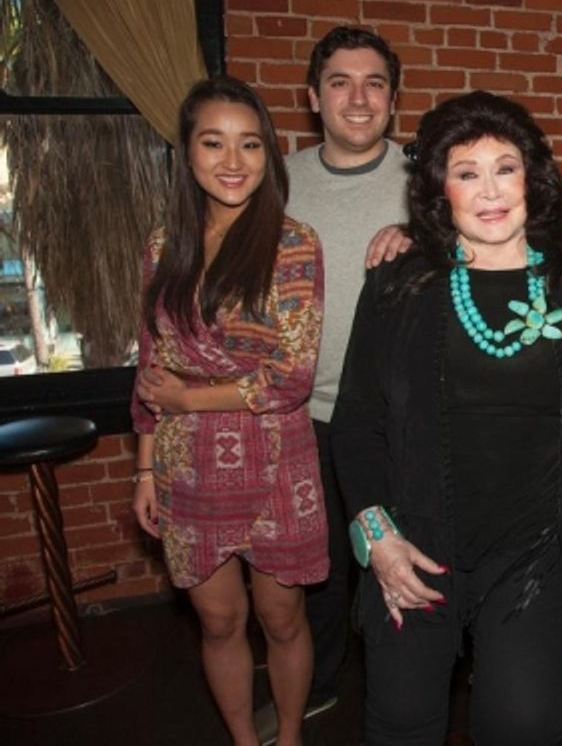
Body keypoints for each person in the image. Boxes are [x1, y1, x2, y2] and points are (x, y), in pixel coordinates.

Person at [331, 90, 562, 745]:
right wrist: (377, 538)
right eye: (467, 173)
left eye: (506, 167)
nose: (490, 189)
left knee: (527, 726)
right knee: (401, 722)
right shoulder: (399, 284)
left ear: (534, 177)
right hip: (412, 547)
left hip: (535, 557)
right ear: (440, 189)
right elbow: (358, 425)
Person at [130, 75, 326, 746]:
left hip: (276, 458)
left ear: (269, 155)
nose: (233, 161)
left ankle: (291, 735)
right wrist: (145, 469)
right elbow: (149, 367)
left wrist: (189, 396)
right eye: (214, 143)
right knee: (218, 622)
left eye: (250, 145)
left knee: (283, 619)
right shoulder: (164, 246)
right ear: (186, 152)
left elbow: (291, 376)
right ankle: (245, 740)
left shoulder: (294, 243)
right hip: (187, 468)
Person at [258, 25, 410, 739]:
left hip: (396, 415)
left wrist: (428, 247)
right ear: (312, 96)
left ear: (393, 100)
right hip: (301, 413)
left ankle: (403, 690)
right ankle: (316, 685)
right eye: (341, 82)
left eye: (374, 82)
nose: (358, 97)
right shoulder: (274, 179)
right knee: (315, 564)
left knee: (394, 550)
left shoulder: (429, 179)